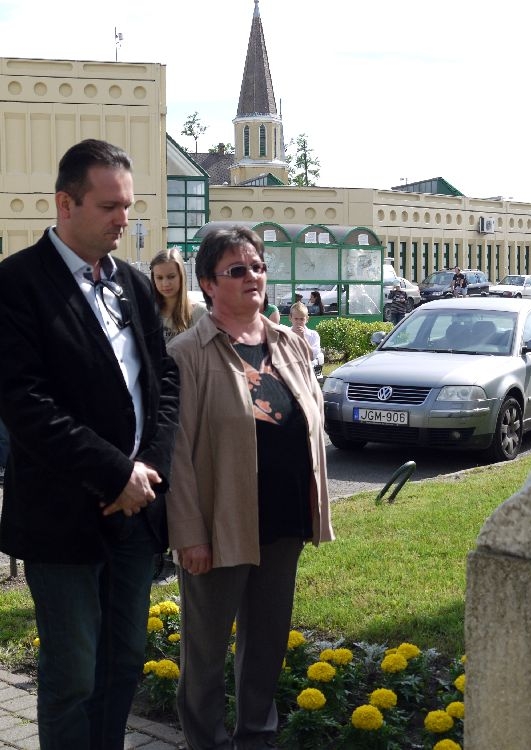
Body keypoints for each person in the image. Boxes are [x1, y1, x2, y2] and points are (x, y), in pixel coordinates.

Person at [0, 139, 180, 750]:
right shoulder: (17, 284)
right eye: (109, 207)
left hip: (137, 511)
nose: (123, 220)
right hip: (63, 516)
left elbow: (164, 382)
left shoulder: (133, 283)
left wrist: (148, 468)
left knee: (123, 661)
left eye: (128, 206)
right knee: (73, 674)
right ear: (65, 203)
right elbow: (24, 403)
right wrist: (113, 474)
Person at [166, 225, 334, 750]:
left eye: (258, 267)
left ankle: (257, 736)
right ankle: (206, 742)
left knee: (267, 643)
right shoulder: (187, 353)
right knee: (206, 651)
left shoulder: (289, 343)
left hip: (283, 519)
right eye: (237, 269)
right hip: (219, 525)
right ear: (207, 283)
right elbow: (177, 454)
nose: (252, 277)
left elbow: (309, 421)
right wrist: (189, 534)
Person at [150, 247, 207, 341]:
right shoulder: (147, 313)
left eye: (171, 277)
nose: (165, 283)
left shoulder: (200, 314)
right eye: (159, 278)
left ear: (181, 276)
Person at [288, 301, 325, 377]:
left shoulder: (313, 335)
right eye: (296, 319)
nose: (299, 322)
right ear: (290, 318)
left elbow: (312, 357)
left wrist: (303, 338)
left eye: (302, 319)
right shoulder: (285, 334)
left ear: (307, 319)